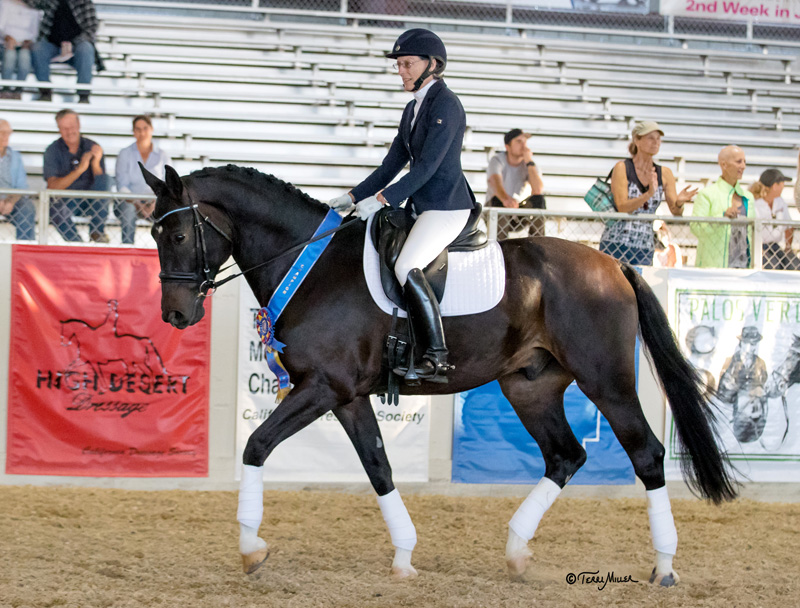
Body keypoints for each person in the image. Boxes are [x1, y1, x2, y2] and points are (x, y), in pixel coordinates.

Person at [327, 28, 476, 383]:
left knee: (407, 264)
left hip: (446, 207)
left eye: (408, 64)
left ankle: (437, 356)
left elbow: (428, 168)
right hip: (420, 205)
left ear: (432, 64)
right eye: (399, 65)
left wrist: (382, 200)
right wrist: (351, 196)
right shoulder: (412, 109)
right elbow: (391, 165)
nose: (402, 71)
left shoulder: (446, 105)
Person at [599, 121, 696, 265]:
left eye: (658, 139)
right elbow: (622, 207)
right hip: (616, 241)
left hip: (644, 245)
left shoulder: (665, 173)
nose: (656, 142)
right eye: (650, 138)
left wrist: (680, 203)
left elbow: (676, 211)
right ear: (637, 140)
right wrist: (648, 194)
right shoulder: (622, 168)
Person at [43, 108, 111, 242]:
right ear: (59, 129)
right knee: (56, 209)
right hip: (68, 201)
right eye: (64, 128)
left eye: (72, 127)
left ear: (78, 125)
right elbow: (52, 187)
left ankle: (97, 234)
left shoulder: (92, 146)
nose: (69, 132)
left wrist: (95, 164)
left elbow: (102, 183)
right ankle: (77, 244)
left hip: (92, 200)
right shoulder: (52, 150)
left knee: (105, 180)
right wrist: (80, 169)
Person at [691, 145, 755, 269]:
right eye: (738, 161)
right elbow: (695, 227)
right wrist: (721, 218)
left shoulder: (748, 197)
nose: (743, 166)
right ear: (724, 165)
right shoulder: (707, 194)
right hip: (713, 267)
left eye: (744, 161)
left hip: (744, 267)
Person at [25, 0, 99, 104]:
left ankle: (83, 95)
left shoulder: (84, 2)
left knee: (86, 48)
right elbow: (32, 2)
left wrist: (72, 43)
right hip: (53, 45)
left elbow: (92, 28)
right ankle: (45, 91)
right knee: (38, 47)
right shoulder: (51, 1)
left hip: (76, 46)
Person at [114, 115, 171, 244]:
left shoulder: (162, 155)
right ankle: (128, 248)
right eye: (138, 129)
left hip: (155, 201)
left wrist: (156, 203)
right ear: (134, 132)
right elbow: (122, 185)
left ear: (151, 129)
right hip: (131, 202)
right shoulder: (125, 153)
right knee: (127, 210)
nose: (142, 133)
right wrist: (137, 204)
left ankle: (164, 249)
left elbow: (167, 184)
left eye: (145, 128)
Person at [485, 128, 545, 238]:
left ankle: (537, 243)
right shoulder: (498, 160)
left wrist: (529, 162)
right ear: (507, 147)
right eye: (518, 141)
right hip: (497, 210)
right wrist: (505, 199)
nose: (524, 146)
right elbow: (494, 181)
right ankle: (500, 243)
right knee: (497, 199)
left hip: (518, 210)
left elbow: (538, 190)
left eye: (525, 142)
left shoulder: (530, 164)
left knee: (539, 200)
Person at [750, 168, 796, 270]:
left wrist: (788, 248)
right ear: (775, 186)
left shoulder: (780, 202)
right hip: (759, 246)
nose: (784, 185)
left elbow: (789, 226)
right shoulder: (755, 203)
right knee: (773, 265)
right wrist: (760, 251)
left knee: (794, 264)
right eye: (782, 183)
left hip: (774, 246)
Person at [0, 118, 36, 239]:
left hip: (10, 199)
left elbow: (21, 186)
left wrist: (10, 201)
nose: (6, 136)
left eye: (8, 133)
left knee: (27, 207)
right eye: (2, 132)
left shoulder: (15, 157)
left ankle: (25, 250)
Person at [0, 0, 40, 99]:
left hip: (24, 44)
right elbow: (1, 26)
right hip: (5, 43)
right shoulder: (5, 3)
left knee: (25, 55)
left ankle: (18, 89)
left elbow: (35, 33)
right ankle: (6, 88)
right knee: (10, 54)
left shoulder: (34, 9)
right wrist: (7, 38)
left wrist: (28, 42)